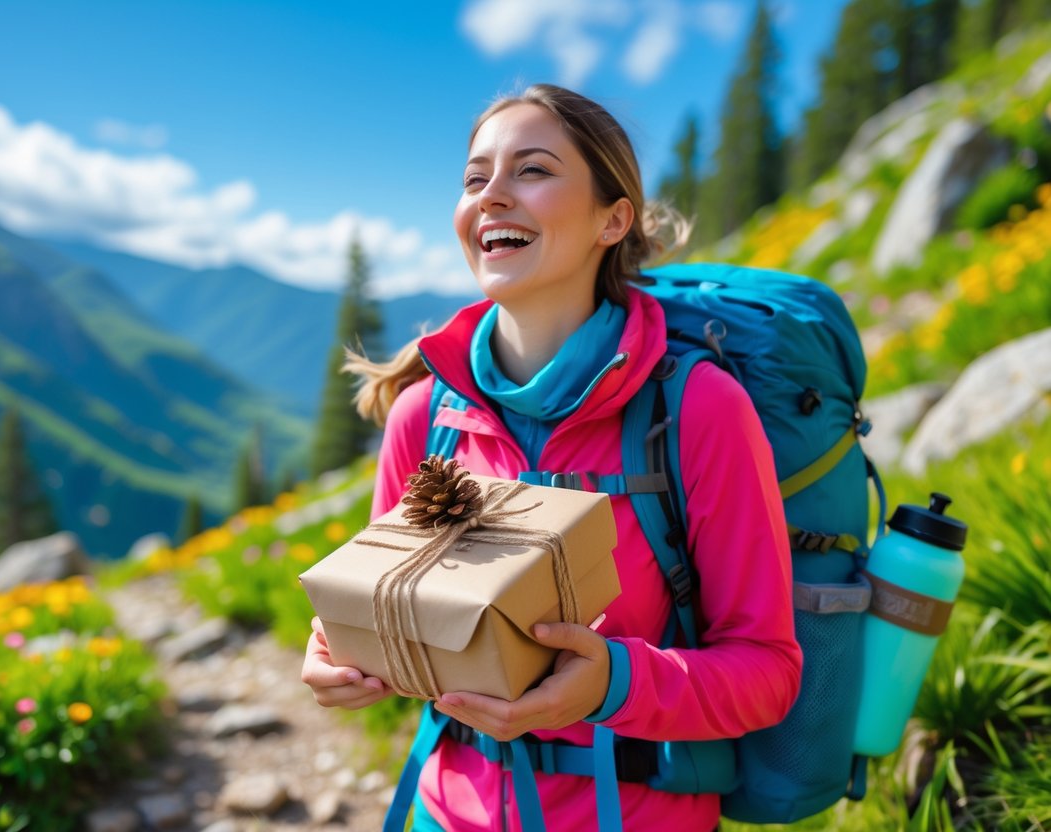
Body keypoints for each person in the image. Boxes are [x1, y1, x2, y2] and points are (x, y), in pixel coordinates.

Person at [301, 83, 801, 832]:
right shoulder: (423, 418)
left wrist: (615, 683)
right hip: (446, 810)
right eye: (475, 179)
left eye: (531, 170)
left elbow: (766, 673)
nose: (491, 196)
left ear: (613, 219)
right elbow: (389, 608)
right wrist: (338, 650)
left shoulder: (697, 411)